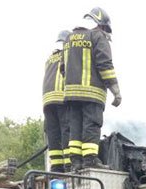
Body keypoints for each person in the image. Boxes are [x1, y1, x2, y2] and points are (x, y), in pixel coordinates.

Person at [63, 7, 122, 171]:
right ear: (100, 24)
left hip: (71, 96)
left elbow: (63, 68)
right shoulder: (97, 36)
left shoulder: (68, 39)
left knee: (75, 127)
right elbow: (105, 66)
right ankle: (89, 160)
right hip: (92, 94)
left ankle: (75, 162)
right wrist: (116, 91)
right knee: (91, 125)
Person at [42, 31, 71, 173]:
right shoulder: (67, 54)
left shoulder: (50, 58)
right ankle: (68, 164)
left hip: (47, 101)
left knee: (53, 134)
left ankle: (56, 166)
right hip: (61, 97)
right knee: (67, 130)